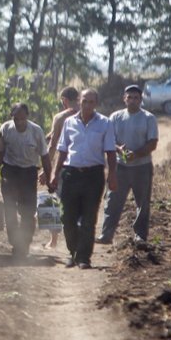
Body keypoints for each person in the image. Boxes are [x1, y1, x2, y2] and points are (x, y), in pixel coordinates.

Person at [48, 89, 117, 269]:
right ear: (79, 101)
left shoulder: (105, 123)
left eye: (91, 102)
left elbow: (110, 152)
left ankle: (84, 257)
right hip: (70, 174)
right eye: (84, 101)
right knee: (67, 217)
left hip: (93, 175)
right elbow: (62, 150)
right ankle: (73, 252)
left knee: (88, 218)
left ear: (96, 104)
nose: (87, 105)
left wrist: (112, 176)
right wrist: (54, 174)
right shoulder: (69, 123)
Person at [0, 102, 51, 256]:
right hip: (10, 172)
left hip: (28, 173)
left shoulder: (36, 131)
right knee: (9, 209)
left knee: (27, 212)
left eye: (22, 119)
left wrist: (49, 178)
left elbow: (45, 157)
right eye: (16, 119)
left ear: (27, 117)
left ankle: (25, 242)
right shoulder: (6, 129)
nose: (19, 122)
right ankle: (15, 242)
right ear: (12, 118)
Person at [96, 84, 159, 244]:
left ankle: (140, 235)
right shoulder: (115, 117)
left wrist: (136, 154)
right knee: (112, 202)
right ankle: (106, 235)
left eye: (136, 98)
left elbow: (153, 143)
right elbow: (108, 140)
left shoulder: (148, 118)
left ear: (141, 99)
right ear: (124, 99)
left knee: (142, 203)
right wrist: (118, 149)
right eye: (129, 97)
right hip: (119, 167)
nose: (132, 100)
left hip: (142, 167)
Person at [41, 86, 80, 250]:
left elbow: (52, 145)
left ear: (64, 100)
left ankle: (54, 241)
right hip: (84, 166)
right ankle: (77, 239)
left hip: (63, 166)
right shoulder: (89, 114)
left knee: (53, 201)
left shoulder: (60, 117)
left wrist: (45, 169)